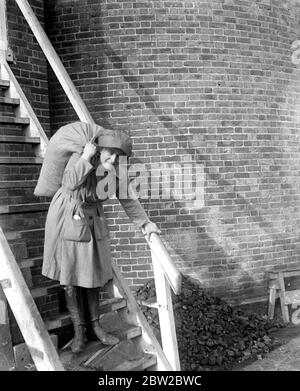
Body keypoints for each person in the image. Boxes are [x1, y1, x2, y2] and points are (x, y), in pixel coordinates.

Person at [42, 127, 160, 353]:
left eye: (119, 156)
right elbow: (69, 183)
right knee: (70, 277)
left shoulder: (116, 170)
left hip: (92, 218)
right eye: (110, 152)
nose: (113, 159)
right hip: (67, 215)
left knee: (93, 273)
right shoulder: (82, 157)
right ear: (99, 148)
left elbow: (127, 196)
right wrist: (86, 157)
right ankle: (79, 331)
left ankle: (96, 327)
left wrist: (145, 223)